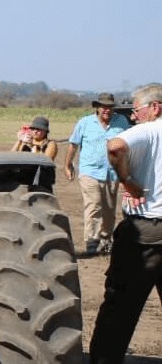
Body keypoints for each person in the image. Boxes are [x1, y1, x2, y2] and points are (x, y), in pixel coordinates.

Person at [86, 83, 162, 364]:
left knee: (121, 304)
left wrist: (127, 180)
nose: (133, 114)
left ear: (155, 107)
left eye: (137, 108)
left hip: (146, 230)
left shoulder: (151, 130)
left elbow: (115, 146)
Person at [65, 92, 132, 257]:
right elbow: (73, 144)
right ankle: (92, 240)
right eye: (103, 106)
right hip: (90, 171)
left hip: (112, 173)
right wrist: (68, 165)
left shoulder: (121, 122)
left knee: (109, 210)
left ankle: (105, 240)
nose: (106, 110)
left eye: (109, 107)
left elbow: (128, 145)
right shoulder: (85, 123)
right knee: (94, 204)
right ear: (97, 107)